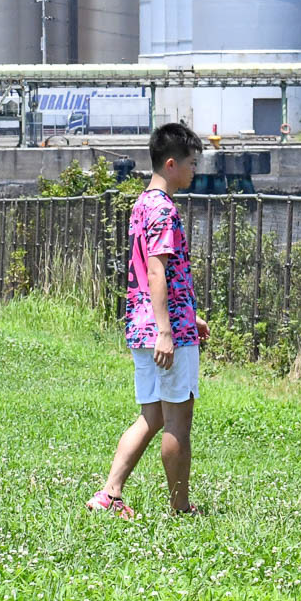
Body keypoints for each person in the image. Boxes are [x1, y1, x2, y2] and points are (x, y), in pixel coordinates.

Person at [91, 122, 210, 520]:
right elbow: (157, 270)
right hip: (163, 331)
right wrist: (168, 330)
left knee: (152, 416)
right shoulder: (164, 210)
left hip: (143, 324)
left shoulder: (142, 204)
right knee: (178, 420)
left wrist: (189, 316)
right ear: (171, 164)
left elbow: (151, 273)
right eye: (191, 163)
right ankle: (181, 508)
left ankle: (110, 493)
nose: (195, 170)